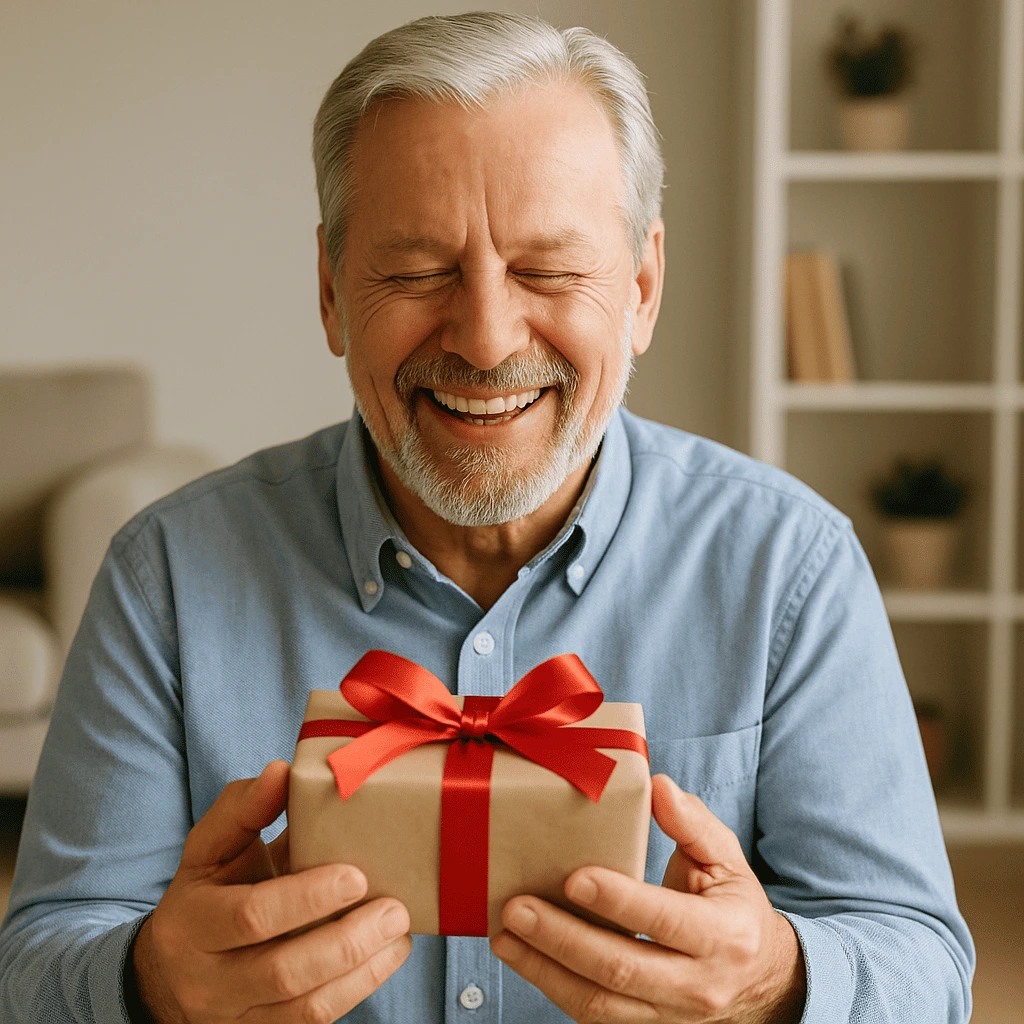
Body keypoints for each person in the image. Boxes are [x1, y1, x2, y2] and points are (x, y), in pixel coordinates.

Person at [0, 11, 973, 1023]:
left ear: (640, 286)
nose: (484, 337)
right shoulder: (164, 576)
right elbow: (33, 969)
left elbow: (923, 967)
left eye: (547, 269)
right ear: (331, 289)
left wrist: (777, 980)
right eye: (417, 271)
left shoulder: (791, 567)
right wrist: (146, 983)